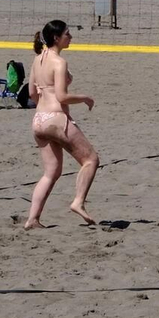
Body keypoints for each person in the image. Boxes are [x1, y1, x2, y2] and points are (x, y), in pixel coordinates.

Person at [24, 19, 99, 229]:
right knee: (91, 160)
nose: (71, 37)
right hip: (55, 119)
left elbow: (32, 93)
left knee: (51, 172)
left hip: (39, 120)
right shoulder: (59, 62)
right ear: (56, 38)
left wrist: (44, 106)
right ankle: (78, 202)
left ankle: (32, 219)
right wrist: (85, 98)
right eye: (67, 34)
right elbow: (62, 96)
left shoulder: (37, 60)